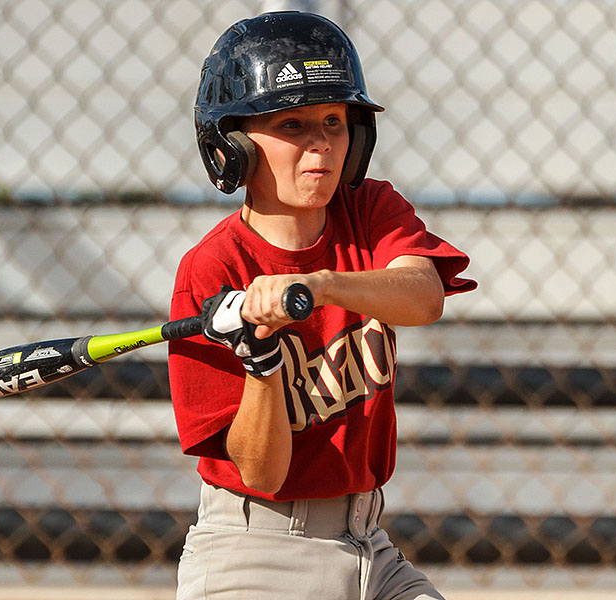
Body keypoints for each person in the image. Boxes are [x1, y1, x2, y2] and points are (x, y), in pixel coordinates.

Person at [167, 10, 476, 600]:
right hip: (256, 554)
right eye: (292, 123)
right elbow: (261, 472)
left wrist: (324, 285)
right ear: (232, 146)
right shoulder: (212, 270)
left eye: (334, 121)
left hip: (370, 547)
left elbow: (423, 296)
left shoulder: (370, 211)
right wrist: (260, 359)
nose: (322, 144)